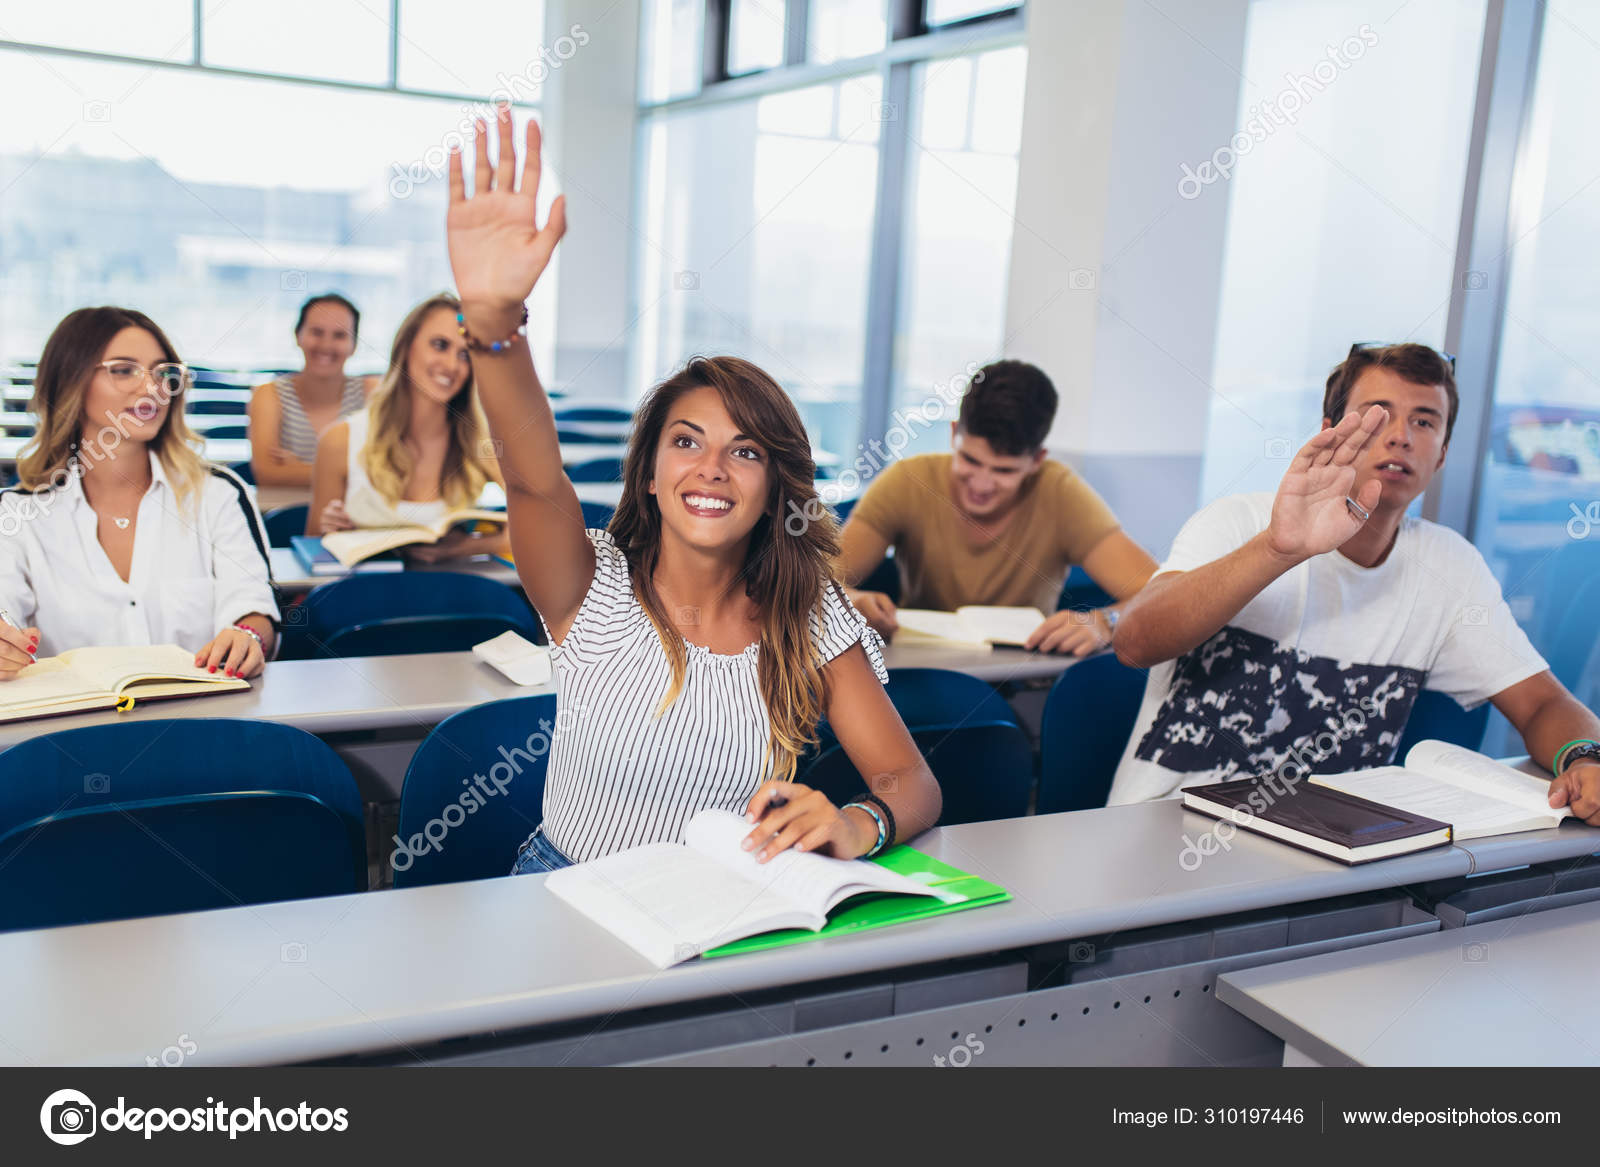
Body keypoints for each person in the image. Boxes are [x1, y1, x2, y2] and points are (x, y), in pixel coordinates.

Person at [444, 106, 940, 871]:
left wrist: (857, 820)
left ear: (777, 488)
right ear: (649, 472)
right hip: (570, 893)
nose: (710, 468)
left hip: (730, 914)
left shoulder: (808, 614)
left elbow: (912, 783)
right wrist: (493, 321)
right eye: (686, 442)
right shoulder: (591, 584)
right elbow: (533, 476)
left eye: (744, 451)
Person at [1110, 342, 1600, 823]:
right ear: (1330, 432)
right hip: (1169, 830)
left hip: (1326, 854)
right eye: (1378, 416)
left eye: (1425, 421)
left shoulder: (1449, 565)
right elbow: (1134, 643)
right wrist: (1277, 550)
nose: (1401, 437)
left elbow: (1542, 703)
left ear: (1443, 452)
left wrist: (1586, 758)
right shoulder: (1240, 521)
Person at [0, 307, 278, 680]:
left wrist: (248, 636)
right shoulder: (18, 515)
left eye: (164, 373)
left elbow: (253, 605)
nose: (153, 388)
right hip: (71, 734)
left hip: (206, 725)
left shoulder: (218, 494)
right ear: (71, 381)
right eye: (123, 370)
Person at [838, 361, 1158, 655]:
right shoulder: (907, 480)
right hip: (920, 669)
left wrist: (1106, 621)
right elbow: (813, 581)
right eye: (970, 460)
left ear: (1036, 460)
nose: (981, 485)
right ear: (953, 435)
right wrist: (850, 601)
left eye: (1003, 471)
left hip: (1022, 679)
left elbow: (1159, 592)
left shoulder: (1062, 493)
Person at [306, 293, 510, 564]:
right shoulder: (340, 440)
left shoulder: (481, 442)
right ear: (406, 346)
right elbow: (312, 551)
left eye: (465, 355)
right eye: (440, 345)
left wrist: (464, 547)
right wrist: (332, 531)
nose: (452, 365)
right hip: (368, 598)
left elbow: (546, 526)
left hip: (453, 598)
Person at [247, 293, 378, 490]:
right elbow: (267, 474)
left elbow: (385, 473)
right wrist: (352, 471)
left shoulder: (373, 393)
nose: (326, 345)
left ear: (354, 345)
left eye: (340, 335)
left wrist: (300, 468)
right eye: (316, 332)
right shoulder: (268, 395)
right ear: (298, 336)